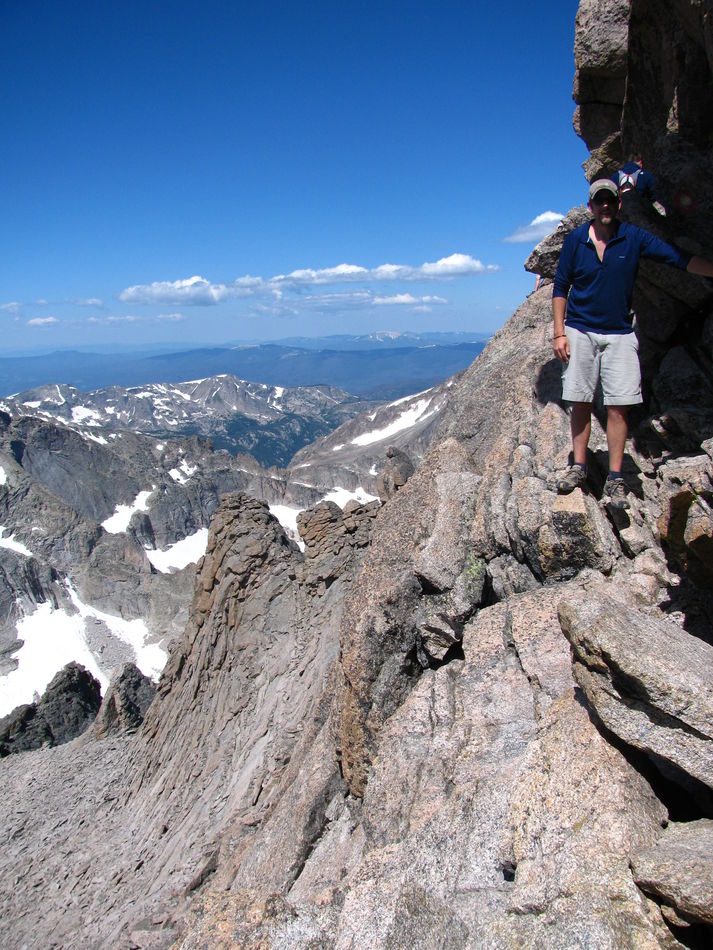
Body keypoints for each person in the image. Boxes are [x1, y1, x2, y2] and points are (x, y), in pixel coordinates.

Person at [552, 178, 713, 509]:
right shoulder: (575, 240)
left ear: (618, 204)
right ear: (591, 206)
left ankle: (614, 478)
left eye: (610, 200)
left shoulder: (633, 238)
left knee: (618, 404)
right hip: (580, 330)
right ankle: (579, 467)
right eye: (599, 201)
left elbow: (676, 258)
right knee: (580, 399)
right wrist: (559, 332)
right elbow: (560, 287)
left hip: (620, 332)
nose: (605, 206)